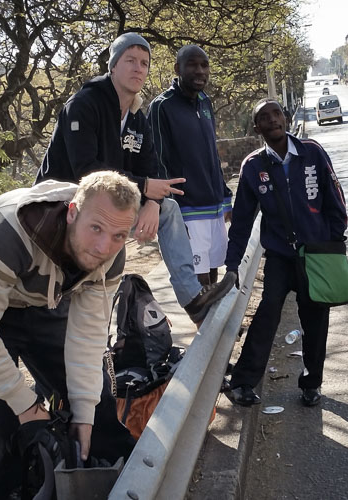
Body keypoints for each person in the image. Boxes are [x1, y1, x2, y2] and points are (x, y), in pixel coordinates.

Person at [0, 171, 141, 498]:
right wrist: (26, 405)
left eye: (119, 235)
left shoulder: (111, 255)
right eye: (96, 228)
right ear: (72, 212)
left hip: (41, 299)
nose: (105, 247)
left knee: (94, 402)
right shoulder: (10, 233)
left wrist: (84, 416)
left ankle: (124, 482)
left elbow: (88, 339)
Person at [36, 32, 234, 324]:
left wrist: (153, 201)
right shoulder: (84, 104)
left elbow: (151, 166)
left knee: (167, 209)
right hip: (61, 210)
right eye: (130, 60)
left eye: (144, 62)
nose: (138, 68)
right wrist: (144, 187)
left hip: (103, 208)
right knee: (66, 299)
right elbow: (86, 171)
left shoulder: (136, 117)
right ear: (113, 66)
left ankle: (194, 300)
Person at [225, 99, 348, 407]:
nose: (272, 120)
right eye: (263, 118)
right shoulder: (253, 167)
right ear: (258, 128)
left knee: (315, 321)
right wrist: (231, 266)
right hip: (280, 256)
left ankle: (311, 384)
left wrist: (334, 244)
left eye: (276, 114)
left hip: (316, 254)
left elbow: (335, 200)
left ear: (285, 117)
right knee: (267, 312)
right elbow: (241, 222)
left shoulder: (312, 153)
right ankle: (242, 383)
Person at [147, 45, 232, 287]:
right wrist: (168, 209)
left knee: (214, 272)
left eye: (204, 65)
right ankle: (206, 325)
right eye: (192, 65)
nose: (200, 71)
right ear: (178, 68)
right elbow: (157, 161)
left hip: (213, 205)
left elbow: (211, 154)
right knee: (198, 279)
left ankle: (216, 324)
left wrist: (225, 197)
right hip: (187, 209)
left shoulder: (205, 102)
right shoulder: (162, 106)